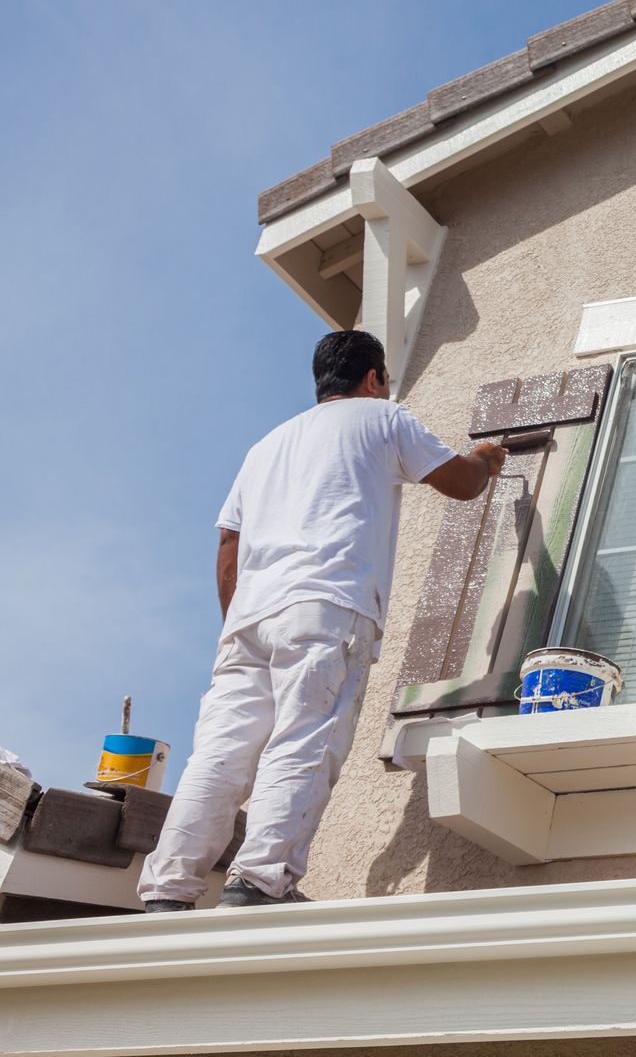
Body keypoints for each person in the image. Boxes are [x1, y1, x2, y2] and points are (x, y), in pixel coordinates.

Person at [140, 331, 506, 911]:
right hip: (325, 605)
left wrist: (238, 623)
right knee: (303, 738)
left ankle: (167, 891)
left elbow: (229, 546)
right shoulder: (382, 417)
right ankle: (261, 882)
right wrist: (486, 458)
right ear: (372, 378)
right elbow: (460, 484)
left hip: (249, 617)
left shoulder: (265, 447)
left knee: (219, 756)